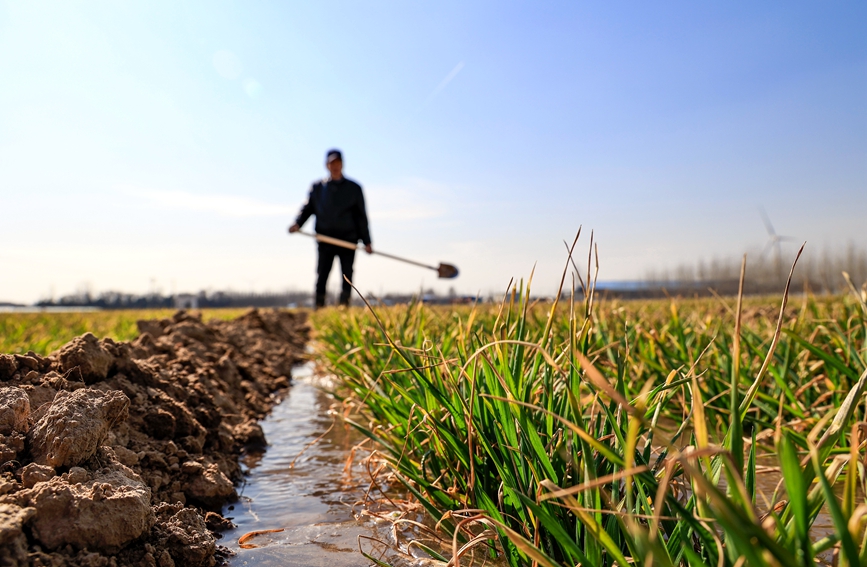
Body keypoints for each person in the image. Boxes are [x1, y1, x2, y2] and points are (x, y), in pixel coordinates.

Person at [289, 149, 372, 308]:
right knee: (322, 274)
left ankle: (344, 307)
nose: (335, 166)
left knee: (347, 274)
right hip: (325, 238)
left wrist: (367, 241)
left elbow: (361, 216)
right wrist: (297, 224)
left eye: (338, 163)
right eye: (332, 163)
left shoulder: (354, 189)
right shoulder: (318, 188)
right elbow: (308, 209)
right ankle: (319, 308)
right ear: (327, 165)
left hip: (348, 240)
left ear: (342, 164)